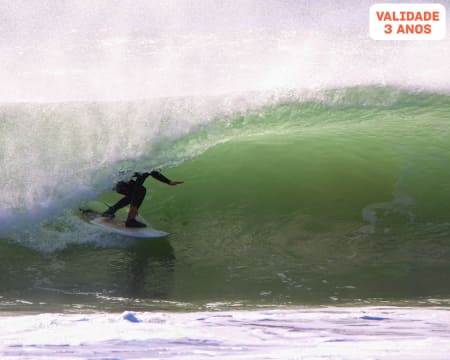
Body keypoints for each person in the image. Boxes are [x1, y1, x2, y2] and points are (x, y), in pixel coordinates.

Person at [103, 171, 184, 228]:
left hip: (115, 181)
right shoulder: (145, 167)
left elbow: (153, 173)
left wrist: (169, 182)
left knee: (133, 194)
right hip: (118, 183)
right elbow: (137, 188)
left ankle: (110, 211)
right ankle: (130, 220)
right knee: (141, 190)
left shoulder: (146, 161)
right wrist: (134, 207)